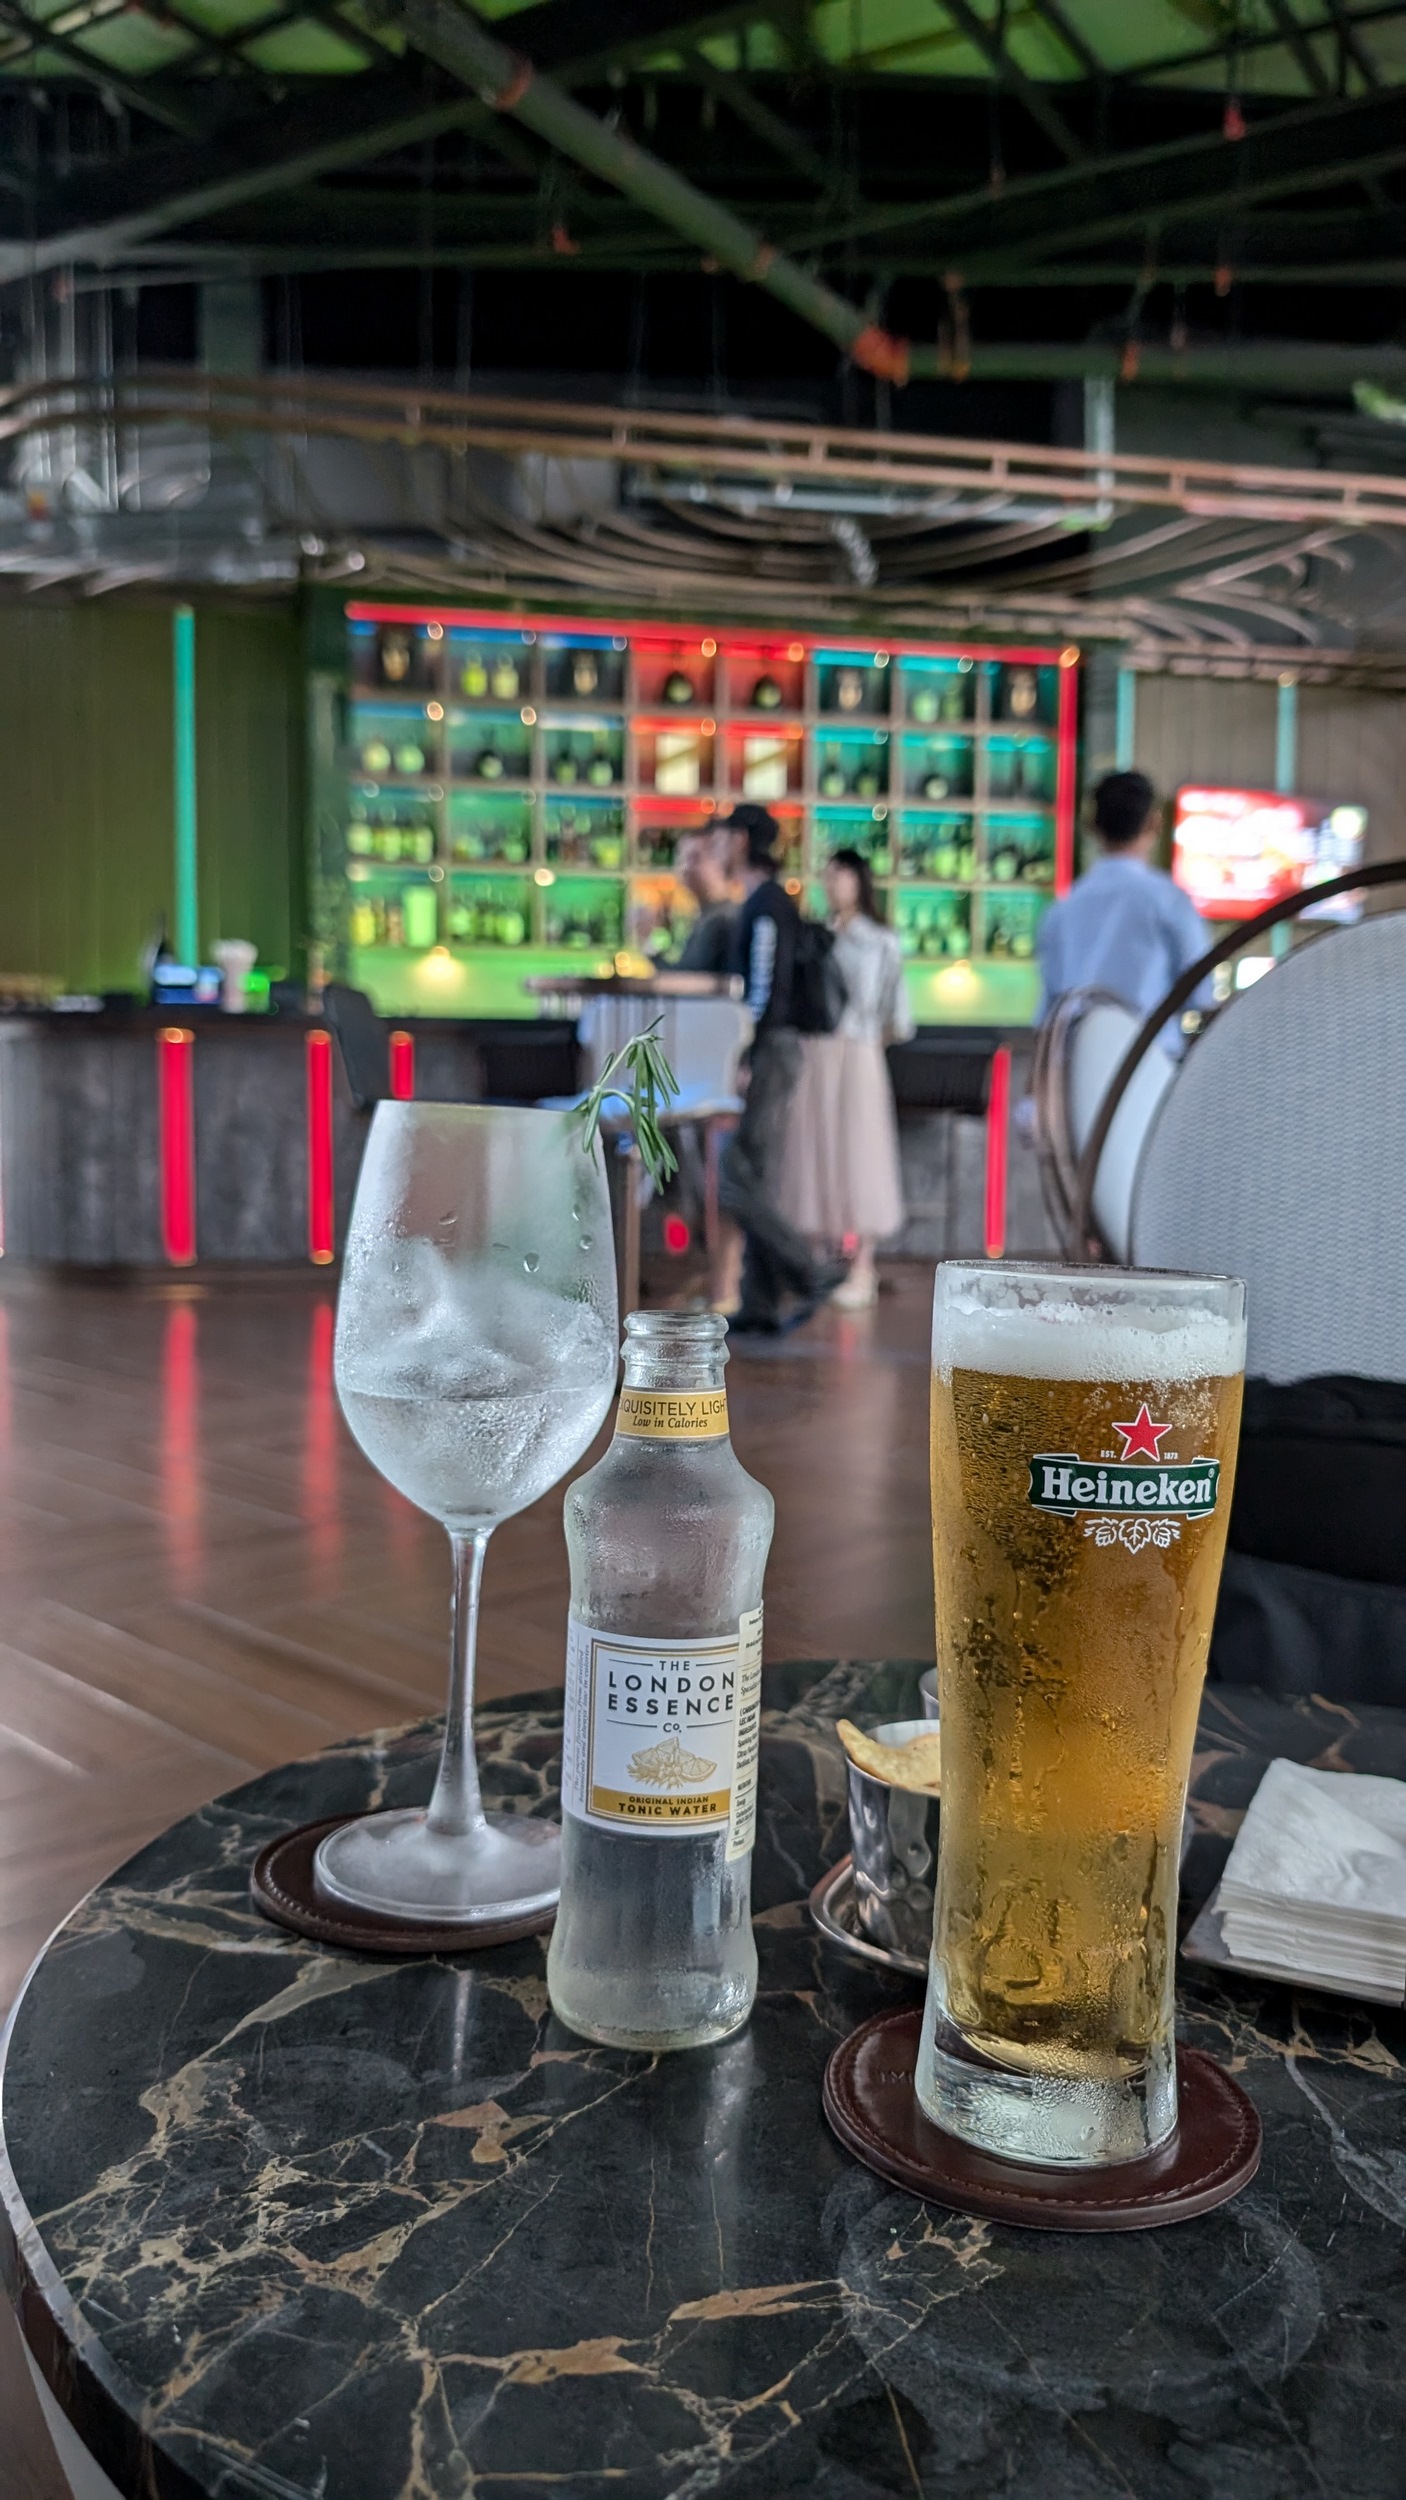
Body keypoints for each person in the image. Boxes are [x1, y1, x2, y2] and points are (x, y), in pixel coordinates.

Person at [714, 805, 850, 1335]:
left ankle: (810, 1268)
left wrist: (746, 1050)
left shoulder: (767, 902)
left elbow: (765, 984)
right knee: (757, 1172)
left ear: (743, 841)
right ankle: (762, 1302)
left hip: (771, 1048)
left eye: (724, 836)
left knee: (734, 1175)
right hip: (775, 1047)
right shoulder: (770, 901)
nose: (718, 847)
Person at [776, 848, 914, 1310]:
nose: (832, 884)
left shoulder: (880, 941)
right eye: (828, 875)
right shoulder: (813, 937)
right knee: (812, 1151)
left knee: (860, 1152)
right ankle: (816, 1262)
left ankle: (862, 1267)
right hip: (814, 1051)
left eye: (841, 875)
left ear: (860, 881)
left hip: (858, 1051)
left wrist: (871, 1040)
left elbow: (896, 1011)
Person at [1036, 769, 1212, 1055]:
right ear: (1155, 823)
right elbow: (1201, 992)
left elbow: (1048, 1012)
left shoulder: (1061, 910)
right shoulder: (1169, 901)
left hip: (1079, 1068)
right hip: (1149, 1063)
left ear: (1090, 825)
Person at [671, 826, 736, 973]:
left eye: (694, 858)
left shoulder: (723, 920)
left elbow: (689, 978)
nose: (685, 867)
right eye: (681, 858)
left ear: (720, 861)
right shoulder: (704, 916)